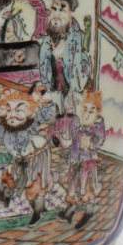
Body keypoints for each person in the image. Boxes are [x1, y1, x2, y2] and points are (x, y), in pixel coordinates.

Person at [0, 84, 57, 226]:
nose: (12, 114)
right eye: (9, 110)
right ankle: (37, 209)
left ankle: (38, 211)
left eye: (19, 110)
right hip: (19, 161)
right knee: (24, 187)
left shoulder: (33, 123)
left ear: (29, 111)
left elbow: (48, 116)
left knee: (36, 186)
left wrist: (46, 100)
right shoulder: (5, 127)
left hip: (37, 159)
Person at [53, 90, 106, 230]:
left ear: (97, 113)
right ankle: (70, 210)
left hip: (87, 163)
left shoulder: (96, 126)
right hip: (75, 161)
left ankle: (88, 212)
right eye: (85, 110)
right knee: (73, 185)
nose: (87, 114)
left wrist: (91, 143)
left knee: (86, 187)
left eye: (91, 111)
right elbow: (71, 137)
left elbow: (99, 140)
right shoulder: (78, 123)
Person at [39, 0, 91, 115]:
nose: (57, 14)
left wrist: (62, 58)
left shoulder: (77, 38)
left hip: (70, 96)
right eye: (54, 9)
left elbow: (80, 79)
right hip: (52, 95)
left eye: (62, 9)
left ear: (70, 12)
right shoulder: (47, 39)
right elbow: (43, 71)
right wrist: (53, 57)